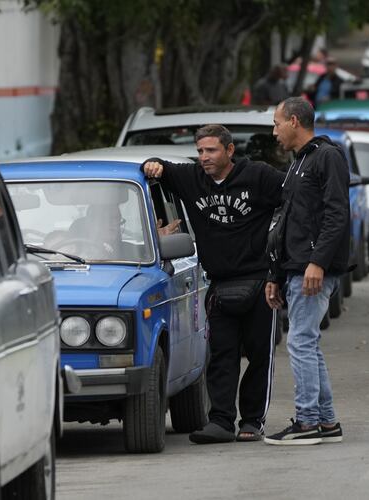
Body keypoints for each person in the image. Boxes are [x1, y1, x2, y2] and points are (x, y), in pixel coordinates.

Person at [142, 124, 285, 444]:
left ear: (229, 151)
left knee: (261, 356)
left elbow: (296, 196)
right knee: (221, 355)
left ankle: (252, 421)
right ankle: (220, 421)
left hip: (261, 283)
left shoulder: (259, 177)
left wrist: (287, 252)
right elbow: (158, 168)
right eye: (200, 151)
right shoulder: (192, 178)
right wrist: (152, 164)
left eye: (211, 150)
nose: (204, 157)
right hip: (220, 285)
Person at [263, 97, 350, 445]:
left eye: (277, 123)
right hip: (294, 268)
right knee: (307, 343)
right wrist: (274, 274)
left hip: (312, 269)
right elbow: (286, 222)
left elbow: (337, 215)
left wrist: (318, 262)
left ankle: (307, 422)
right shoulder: (300, 161)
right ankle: (326, 422)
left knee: (300, 342)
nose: (274, 131)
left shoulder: (327, 157)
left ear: (295, 121)